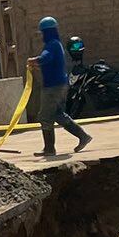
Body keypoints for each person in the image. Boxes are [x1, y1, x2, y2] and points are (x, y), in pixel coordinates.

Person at [34, 15, 91, 158]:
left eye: (42, 33)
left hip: (53, 87)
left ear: (47, 32)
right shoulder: (56, 44)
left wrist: (35, 60)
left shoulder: (52, 45)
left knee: (45, 116)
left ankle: (49, 149)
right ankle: (83, 136)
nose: (41, 36)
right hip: (60, 85)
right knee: (58, 114)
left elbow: (46, 57)